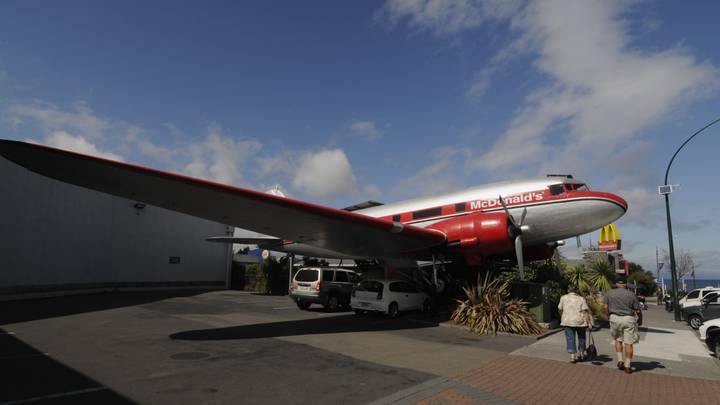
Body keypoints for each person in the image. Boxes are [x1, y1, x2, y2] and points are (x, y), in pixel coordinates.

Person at [603, 279, 642, 374]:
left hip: (614, 317)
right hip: (628, 318)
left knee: (618, 339)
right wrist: (640, 319)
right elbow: (637, 310)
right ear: (625, 285)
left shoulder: (609, 293)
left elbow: (605, 307)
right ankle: (627, 365)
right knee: (629, 343)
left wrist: (608, 316)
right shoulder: (631, 294)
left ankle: (620, 360)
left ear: (616, 284)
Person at [558, 285, 593, 363]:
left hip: (567, 321)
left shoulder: (563, 298)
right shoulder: (581, 299)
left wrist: (562, 316)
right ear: (576, 291)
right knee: (582, 338)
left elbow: (560, 309)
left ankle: (572, 357)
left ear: (568, 290)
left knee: (570, 338)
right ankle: (582, 354)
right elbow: (585, 311)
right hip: (580, 321)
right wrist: (589, 323)